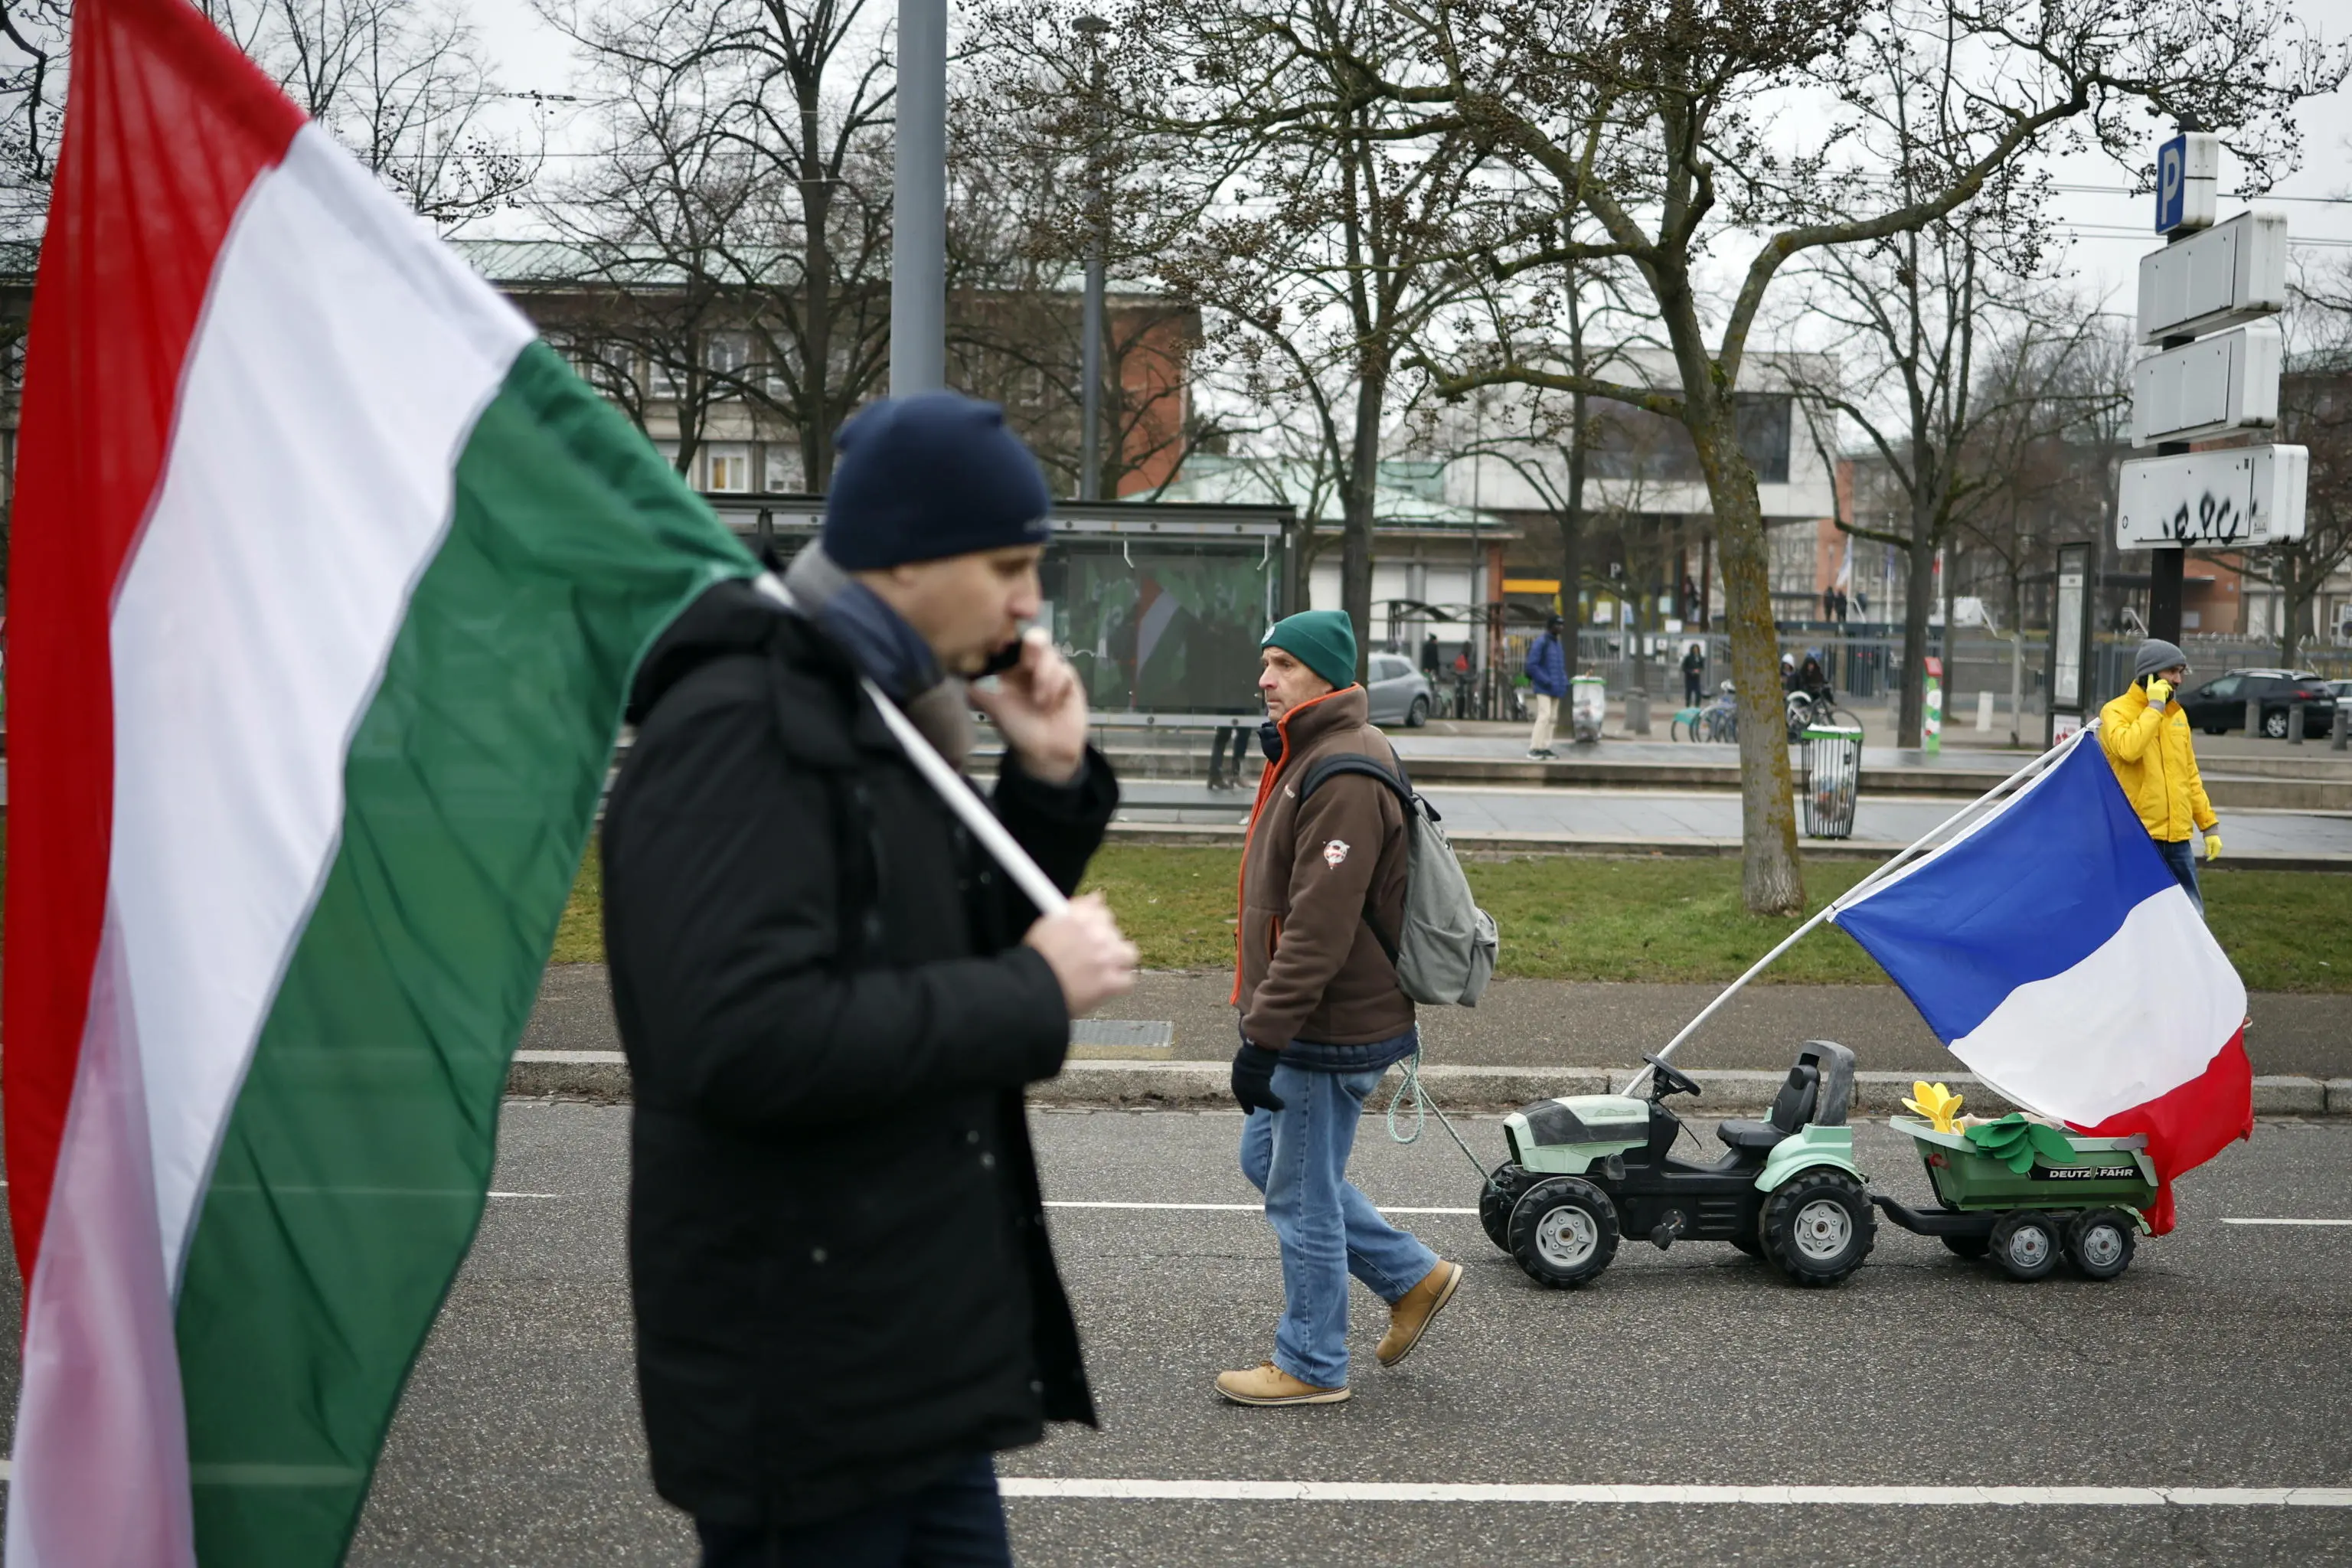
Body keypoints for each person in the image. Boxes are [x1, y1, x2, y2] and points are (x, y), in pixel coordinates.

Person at [603, 392, 1141, 1566]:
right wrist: (1032, 995)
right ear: (907, 555)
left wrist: (1048, 785)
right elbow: (740, 1039)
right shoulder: (741, 724)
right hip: (808, 1392)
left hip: (908, 1368)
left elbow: (930, 958)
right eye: (1007, 564)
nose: (1028, 602)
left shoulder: (877, 715)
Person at [1219, 609, 1462, 1407]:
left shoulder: (1344, 769)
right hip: (1312, 1019)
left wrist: (1265, 1030)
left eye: (1284, 663)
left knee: (1301, 1192)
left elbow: (1319, 925)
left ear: (1326, 675)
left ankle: (1313, 1362)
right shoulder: (1313, 750)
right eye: (1266, 662)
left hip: (1325, 1025)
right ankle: (1411, 1275)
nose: (1266, 677)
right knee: (1271, 1162)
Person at [2099, 638, 2222, 916]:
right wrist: (2153, 708)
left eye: (2181, 672)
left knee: (2191, 917)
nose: (2178, 680)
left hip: (2178, 840)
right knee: (2137, 918)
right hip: (2138, 837)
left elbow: (2189, 774)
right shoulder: (2116, 711)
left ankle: (2187, 962)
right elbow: (2129, 749)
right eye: (2172, 672)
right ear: (2150, 674)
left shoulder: (2177, 716)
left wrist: (2208, 825)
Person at [1524, 613, 1569, 759]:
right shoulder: (1541, 642)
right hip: (1544, 686)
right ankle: (1535, 747)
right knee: (1545, 715)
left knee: (1552, 718)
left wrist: (1564, 681)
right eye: (1558, 625)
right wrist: (1545, 680)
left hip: (1555, 686)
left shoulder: (1556, 644)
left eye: (1562, 625)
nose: (1561, 628)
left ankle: (1544, 746)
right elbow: (1532, 665)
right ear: (1551, 626)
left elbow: (1559, 666)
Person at [1681, 642, 1706, 707]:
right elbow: (1683, 667)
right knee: (1688, 693)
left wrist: (1698, 670)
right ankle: (1688, 706)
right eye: (1694, 649)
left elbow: (1702, 667)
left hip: (1696, 678)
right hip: (1689, 678)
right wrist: (1691, 671)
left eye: (1697, 649)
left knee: (1698, 693)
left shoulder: (1700, 658)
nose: (1695, 651)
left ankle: (1697, 706)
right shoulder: (1688, 658)